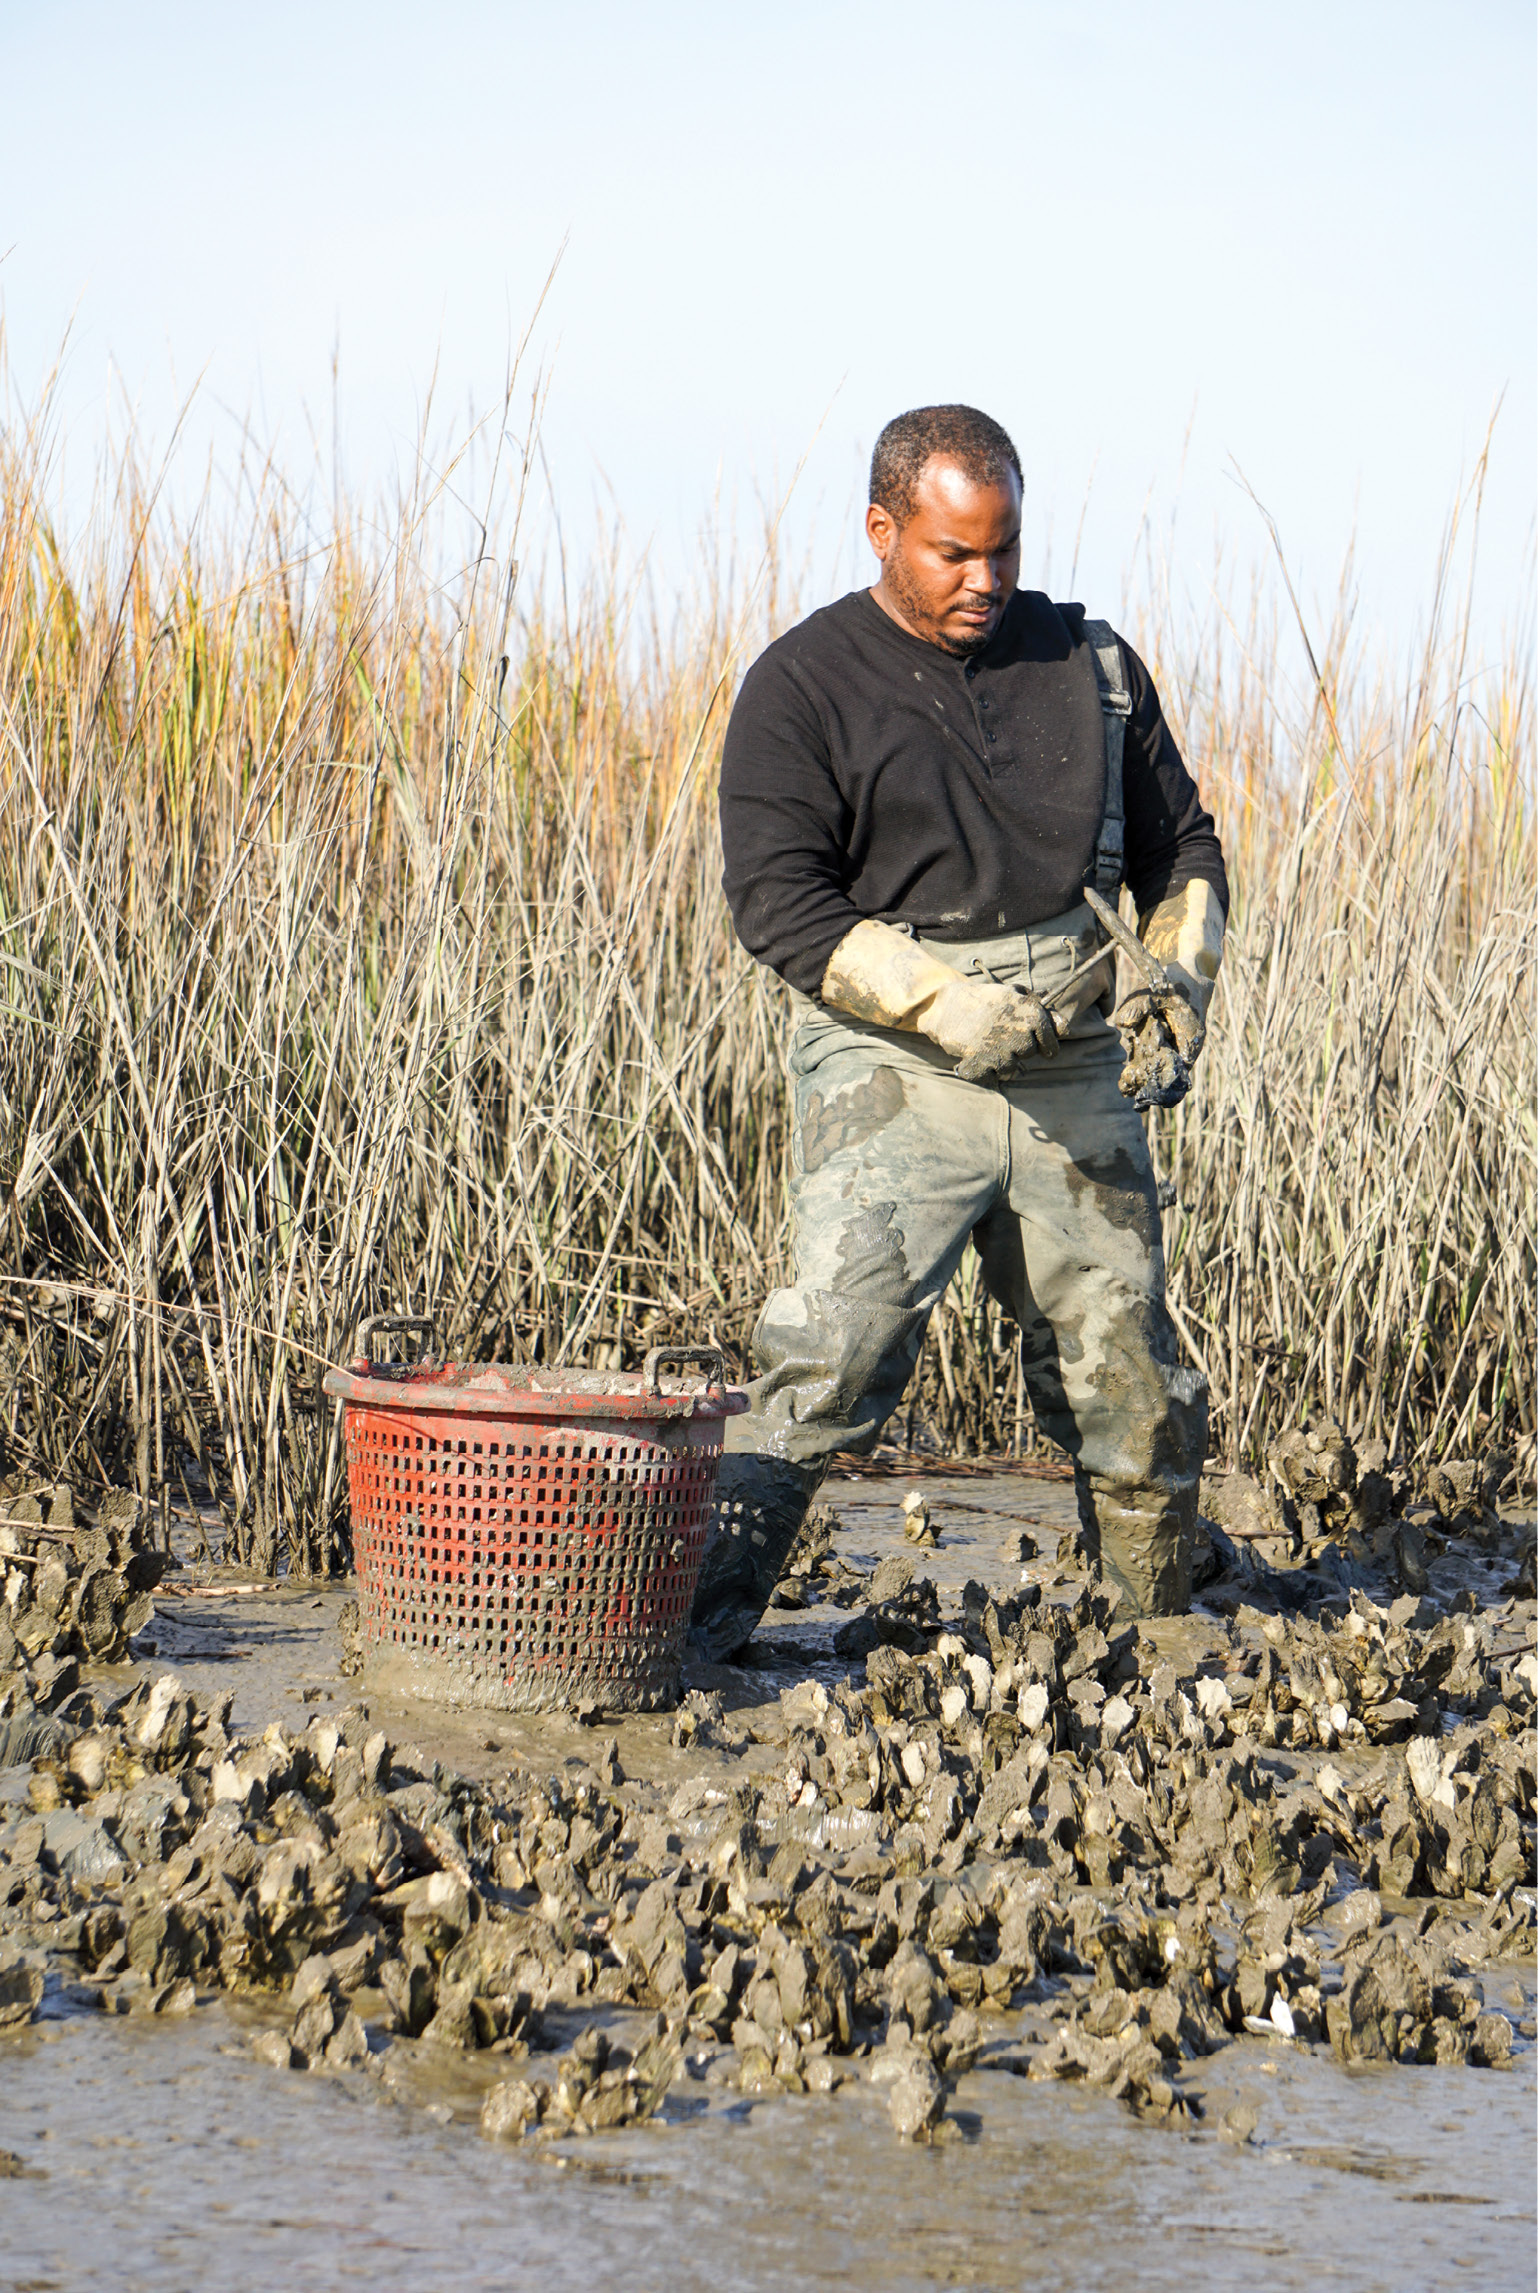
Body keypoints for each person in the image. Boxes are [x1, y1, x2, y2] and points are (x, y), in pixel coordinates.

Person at [692, 404, 1227, 1658]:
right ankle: (689, 1638)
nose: (985, 581)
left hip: (1075, 1054)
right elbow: (777, 903)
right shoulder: (799, 685)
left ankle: (1153, 1636)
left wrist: (1174, 974)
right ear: (882, 532)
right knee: (831, 1349)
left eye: (1005, 550)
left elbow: (1182, 847)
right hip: (891, 1057)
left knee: (1128, 1372)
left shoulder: (1091, 667)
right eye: (952, 554)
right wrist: (940, 1002)